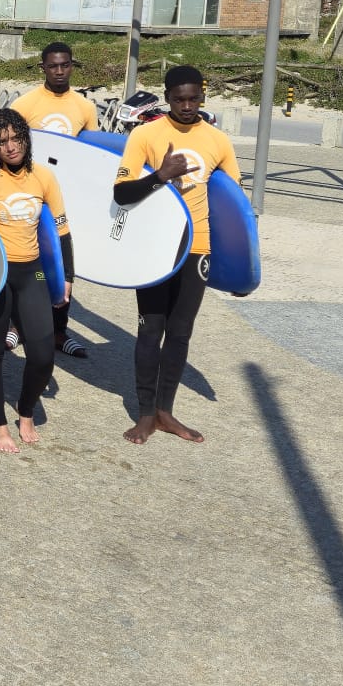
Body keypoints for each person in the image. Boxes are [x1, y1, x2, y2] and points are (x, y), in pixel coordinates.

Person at [114, 65, 236, 446]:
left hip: (197, 247)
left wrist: (240, 272)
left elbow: (234, 209)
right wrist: (161, 175)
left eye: (193, 98)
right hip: (156, 247)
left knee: (180, 333)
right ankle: (146, 414)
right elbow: (121, 194)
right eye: (179, 99)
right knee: (150, 331)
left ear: (203, 95)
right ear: (166, 97)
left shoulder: (218, 141)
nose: (186, 106)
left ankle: (166, 411)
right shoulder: (146, 136)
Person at [0, 108, 72, 454]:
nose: (10, 146)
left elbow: (62, 230)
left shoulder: (44, 177)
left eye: (16, 137)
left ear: (26, 138)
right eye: (2, 140)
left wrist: (65, 276)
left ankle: (25, 410)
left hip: (32, 271)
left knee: (41, 355)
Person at [7, 42, 98, 360]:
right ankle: (18, 327)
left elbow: (90, 155)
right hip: (29, 193)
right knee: (28, 261)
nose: (59, 71)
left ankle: (59, 331)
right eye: (53, 66)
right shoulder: (25, 104)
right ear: (43, 67)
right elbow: (6, 146)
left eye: (65, 65)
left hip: (66, 197)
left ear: (72, 65)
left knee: (61, 262)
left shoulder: (85, 107)